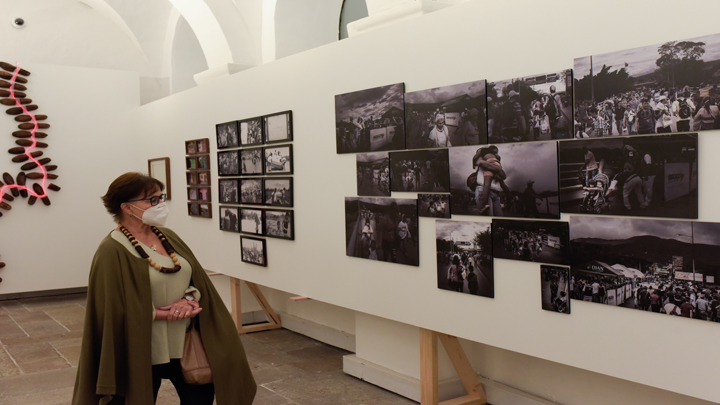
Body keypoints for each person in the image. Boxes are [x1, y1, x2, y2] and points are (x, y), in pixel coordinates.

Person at [73, 173, 256, 405]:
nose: (160, 205)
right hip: (142, 348)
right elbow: (110, 309)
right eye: (152, 200)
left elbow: (193, 279)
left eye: (161, 198)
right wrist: (162, 313)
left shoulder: (168, 236)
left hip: (187, 342)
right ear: (127, 208)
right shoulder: (111, 249)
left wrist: (189, 299)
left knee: (201, 399)